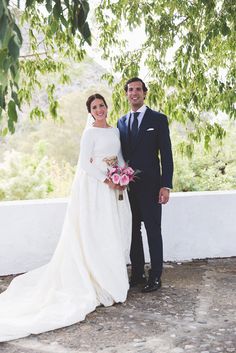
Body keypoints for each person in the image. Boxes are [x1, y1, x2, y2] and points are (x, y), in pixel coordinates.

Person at [0, 93, 132, 342]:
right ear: (90, 112)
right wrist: (107, 180)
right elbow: (84, 163)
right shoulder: (89, 133)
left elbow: (120, 157)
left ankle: (112, 278)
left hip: (114, 189)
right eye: (95, 107)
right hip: (95, 188)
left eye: (102, 105)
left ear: (107, 107)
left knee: (111, 232)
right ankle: (96, 278)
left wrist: (123, 176)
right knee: (95, 231)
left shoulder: (114, 131)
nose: (100, 109)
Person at [117, 78, 174, 293]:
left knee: (153, 231)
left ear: (145, 93)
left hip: (152, 187)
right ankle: (138, 273)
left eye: (138, 89)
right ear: (126, 94)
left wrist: (165, 185)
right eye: (130, 90)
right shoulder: (121, 122)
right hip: (128, 188)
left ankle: (156, 276)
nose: (134, 93)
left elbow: (166, 155)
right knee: (133, 232)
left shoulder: (158, 119)